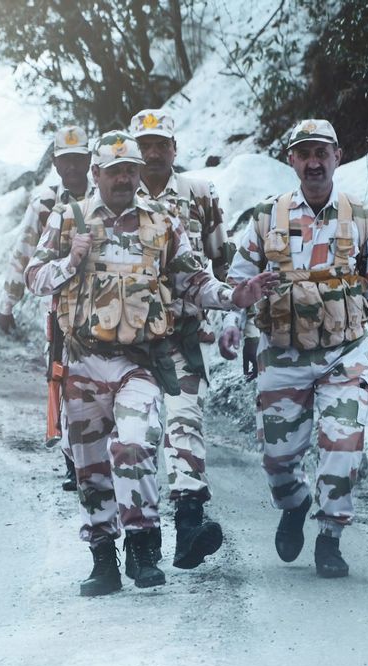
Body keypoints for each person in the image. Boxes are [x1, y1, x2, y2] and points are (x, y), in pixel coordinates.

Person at [26, 131, 277, 596]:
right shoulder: (69, 218)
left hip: (138, 361)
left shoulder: (162, 222)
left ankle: (144, 546)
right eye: (114, 170)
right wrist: (70, 261)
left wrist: (233, 296)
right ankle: (103, 560)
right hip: (81, 362)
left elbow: (193, 280)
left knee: (136, 443)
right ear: (96, 174)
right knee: (90, 468)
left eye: (131, 170)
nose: (124, 178)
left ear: (139, 173)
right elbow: (34, 276)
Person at [220, 119, 368, 578]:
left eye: (323, 152)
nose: (315, 162)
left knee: (343, 444)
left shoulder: (359, 219)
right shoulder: (266, 218)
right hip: (282, 354)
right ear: (292, 160)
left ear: (337, 156)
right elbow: (239, 282)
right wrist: (232, 325)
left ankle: (330, 537)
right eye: (305, 154)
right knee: (278, 460)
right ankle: (295, 504)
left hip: (345, 353)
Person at [128, 108, 230, 570]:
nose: (152, 153)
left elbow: (219, 259)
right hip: (125, 341)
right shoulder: (111, 196)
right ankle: (138, 534)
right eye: (144, 145)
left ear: (174, 149)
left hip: (181, 335)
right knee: (137, 436)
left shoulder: (198, 194)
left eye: (160, 144)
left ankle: (189, 522)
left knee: (184, 421)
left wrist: (232, 318)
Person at [0, 124, 93, 491]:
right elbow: (24, 254)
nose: (72, 167)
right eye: (65, 160)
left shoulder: (108, 200)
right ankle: (73, 461)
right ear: (55, 164)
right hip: (60, 311)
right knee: (62, 383)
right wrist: (8, 302)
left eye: (78, 159)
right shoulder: (45, 204)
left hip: (105, 309)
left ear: (88, 160)